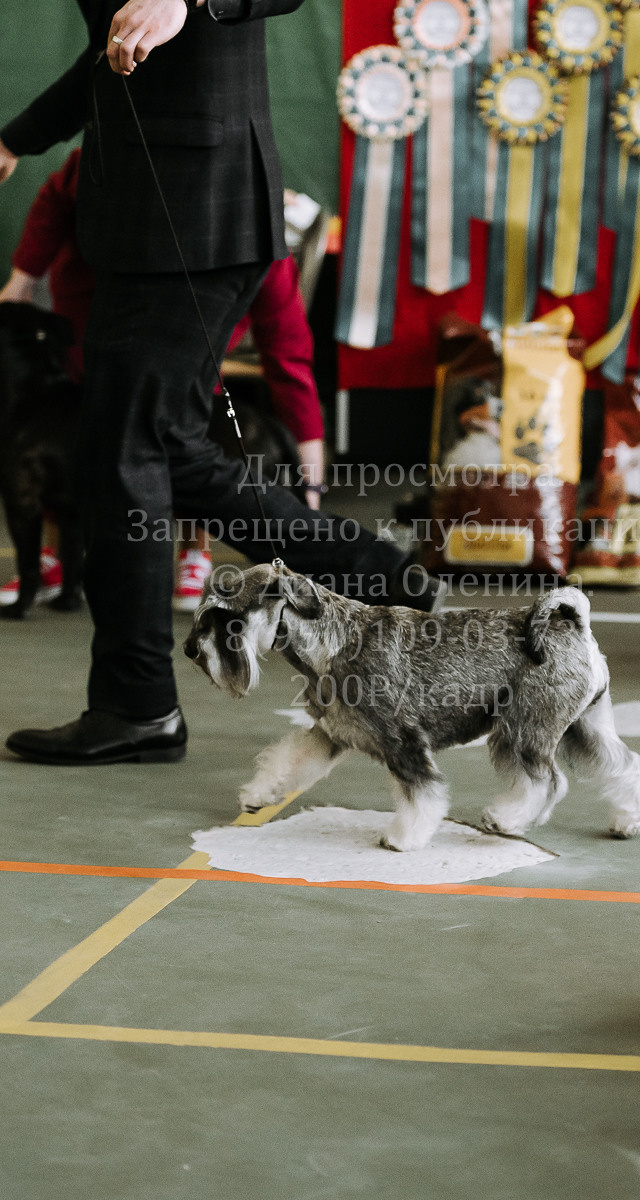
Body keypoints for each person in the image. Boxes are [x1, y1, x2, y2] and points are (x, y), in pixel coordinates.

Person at [0, 0, 441, 767]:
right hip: (141, 219)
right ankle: (377, 573)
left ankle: (136, 706)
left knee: (125, 452)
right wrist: (16, 137)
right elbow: (113, 50)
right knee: (155, 446)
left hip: (204, 210)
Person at [0, 147, 327, 612]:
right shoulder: (95, 170)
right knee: (73, 423)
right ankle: (57, 550)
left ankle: (194, 551)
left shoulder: (263, 255)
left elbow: (292, 367)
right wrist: (23, 275)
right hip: (94, 296)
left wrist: (309, 497)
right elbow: (56, 196)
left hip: (194, 340)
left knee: (192, 425)